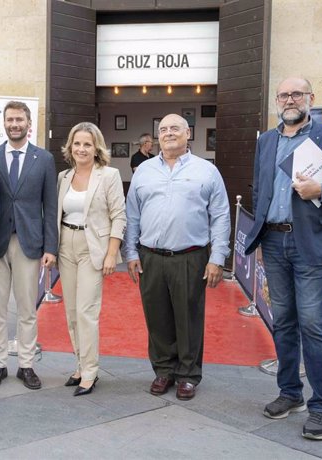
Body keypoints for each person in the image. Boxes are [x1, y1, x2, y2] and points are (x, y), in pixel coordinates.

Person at [244, 77, 322, 440]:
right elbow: (259, 189)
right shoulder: (266, 141)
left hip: (311, 244)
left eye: (297, 93)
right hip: (275, 243)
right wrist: (262, 240)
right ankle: (290, 393)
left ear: (311, 98)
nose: (290, 99)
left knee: (313, 324)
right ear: (277, 101)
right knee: (282, 321)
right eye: (284, 94)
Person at [124, 114, 230, 401]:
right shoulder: (144, 171)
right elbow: (132, 213)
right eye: (163, 129)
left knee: (188, 317)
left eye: (175, 128)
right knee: (157, 318)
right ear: (157, 136)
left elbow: (220, 216)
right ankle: (163, 370)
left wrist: (217, 257)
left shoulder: (207, 171)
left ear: (187, 134)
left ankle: (188, 375)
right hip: (150, 257)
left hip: (190, 257)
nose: (169, 133)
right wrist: (130, 252)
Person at [0, 101, 58, 390]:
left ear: (29, 124)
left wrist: (50, 247)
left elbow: (49, 207)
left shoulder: (44, 160)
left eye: (19, 119)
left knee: (27, 308)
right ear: (4, 123)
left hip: (30, 243)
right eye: (10, 119)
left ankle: (26, 364)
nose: (14, 124)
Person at [56, 122, 126, 396]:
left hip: (92, 247)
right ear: (70, 147)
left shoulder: (108, 175)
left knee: (87, 311)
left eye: (87, 144)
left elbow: (118, 216)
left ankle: (90, 372)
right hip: (66, 246)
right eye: (77, 143)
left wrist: (112, 253)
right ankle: (80, 364)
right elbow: (57, 215)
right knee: (71, 312)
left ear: (96, 148)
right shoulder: (64, 176)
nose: (81, 149)